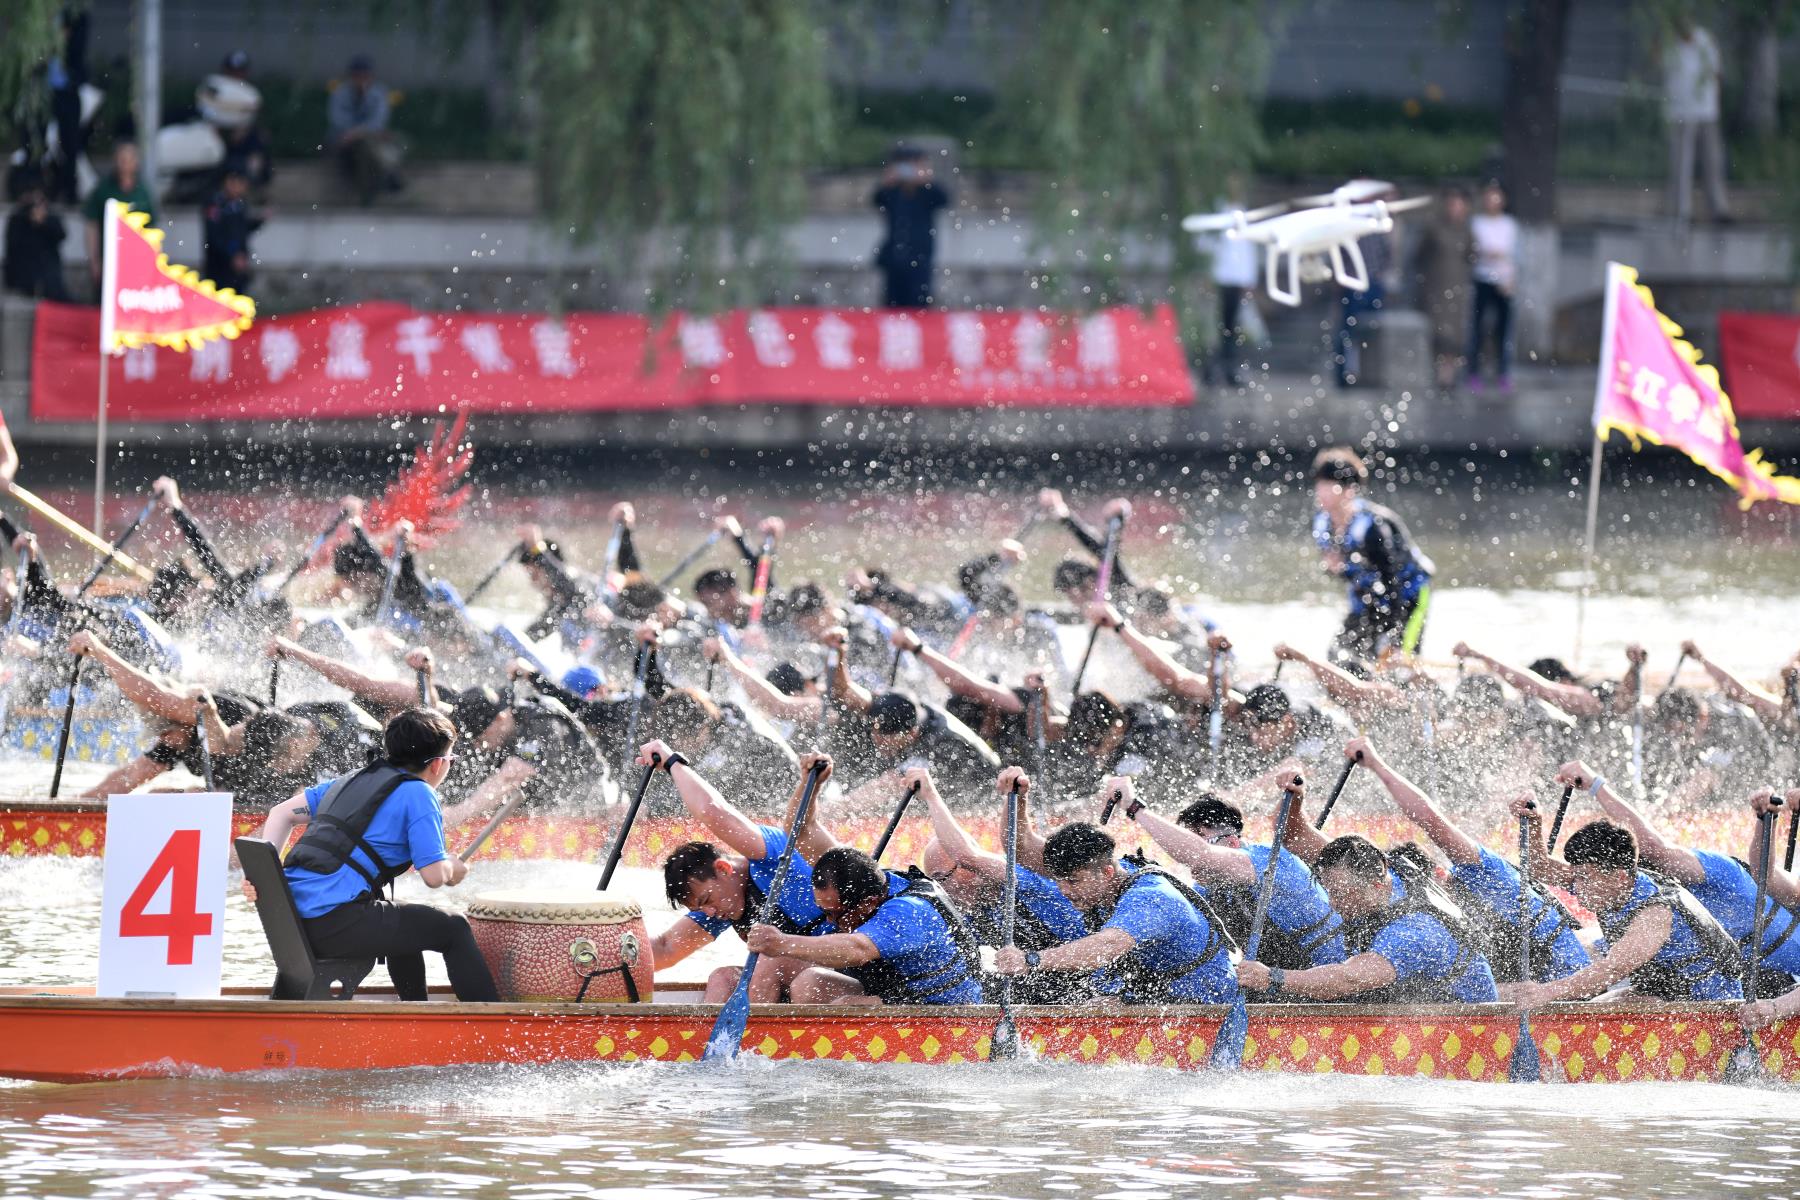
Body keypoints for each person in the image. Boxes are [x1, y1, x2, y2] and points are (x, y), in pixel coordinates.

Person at [256, 707, 500, 1002]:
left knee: (407, 924)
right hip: (335, 921)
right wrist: (453, 867)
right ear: (437, 764)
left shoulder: (352, 780)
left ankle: (417, 1015)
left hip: (291, 918)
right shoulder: (420, 793)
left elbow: (281, 813)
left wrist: (263, 878)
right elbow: (435, 876)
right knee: (455, 928)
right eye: (451, 758)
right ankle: (488, 1029)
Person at [1345, 737, 1590, 985]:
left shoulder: (1484, 874)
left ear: (1439, 874)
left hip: (1572, 986)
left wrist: (1377, 765)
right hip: (1529, 994)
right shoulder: (1444, 919)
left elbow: (1431, 820)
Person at [1556, 764, 1798, 989]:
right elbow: (1763, 872)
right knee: (1578, 952)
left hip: (1756, 978)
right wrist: (1766, 818)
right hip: (1735, 911)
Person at [650, 741, 836, 1003]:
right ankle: (714, 1045)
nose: (710, 913)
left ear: (723, 869)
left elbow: (713, 812)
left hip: (847, 967)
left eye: (706, 901)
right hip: (797, 974)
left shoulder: (770, 856)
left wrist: (672, 763)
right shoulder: (723, 903)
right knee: (722, 978)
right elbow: (665, 949)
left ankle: (758, 1045)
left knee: (768, 964)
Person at [1512, 797, 1742, 1006]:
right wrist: (1533, 822)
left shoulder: (1656, 912)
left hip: (1709, 1007)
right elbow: (1538, 867)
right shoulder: (1604, 879)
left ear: (1620, 877)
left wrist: (1545, 993)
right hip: (1664, 989)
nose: (1576, 886)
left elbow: (1610, 971)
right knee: (1585, 987)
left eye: (1583, 878)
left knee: (1589, 1011)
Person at [993, 820, 1237, 1005]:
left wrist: (1031, 960)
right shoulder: (1106, 870)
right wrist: (1018, 795)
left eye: (1073, 881)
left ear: (1107, 873)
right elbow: (1024, 850)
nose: (1064, 891)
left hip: (1206, 1005)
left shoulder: (1150, 898)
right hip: (1157, 996)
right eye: (1058, 881)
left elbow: (1108, 946)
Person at [1238, 833, 1499, 1004]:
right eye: (1329, 891)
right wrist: (1296, 798)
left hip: (1465, 1025)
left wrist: (1273, 979)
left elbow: (1347, 979)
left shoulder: (1411, 933)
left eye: (1339, 894)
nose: (1332, 903)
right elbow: (1301, 837)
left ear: (1375, 886)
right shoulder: (1385, 869)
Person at [1118, 778, 1346, 970]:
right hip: (1282, 987)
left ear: (1232, 842)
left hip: (1339, 976)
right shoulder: (1211, 891)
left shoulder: (1270, 860)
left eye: (1195, 840)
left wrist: (1134, 808)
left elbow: (1200, 854)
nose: (1188, 861)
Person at [916, 766, 1092, 1003]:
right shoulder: (969, 912)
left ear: (969, 869)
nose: (941, 890)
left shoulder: (1016, 878)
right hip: (1051, 987)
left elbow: (967, 853)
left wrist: (929, 794)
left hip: (1091, 976)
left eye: (940, 878)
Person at [745, 843, 985, 1006]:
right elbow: (808, 832)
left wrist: (781, 941)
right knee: (772, 962)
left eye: (834, 913)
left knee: (810, 986)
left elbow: (857, 949)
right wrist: (814, 783)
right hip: (896, 988)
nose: (830, 922)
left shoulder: (908, 910)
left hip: (940, 1008)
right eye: (824, 912)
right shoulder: (876, 883)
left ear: (868, 903)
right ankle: (755, 1050)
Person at [1311, 446, 1434, 664]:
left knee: (1397, 662)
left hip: (1409, 596)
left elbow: (1392, 580)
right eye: (1320, 484)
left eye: (1330, 486)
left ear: (1350, 490)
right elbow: (1348, 572)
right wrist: (1337, 571)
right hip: (1369, 598)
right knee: (1339, 654)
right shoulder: (1322, 524)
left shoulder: (1371, 528)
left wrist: (1394, 638)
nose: (1322, 492)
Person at [1662, 18, 1731, 225]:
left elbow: (1717, 71)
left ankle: (1718, 208)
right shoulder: (1670, 43)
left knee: (1713, 161)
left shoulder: (1705, 40)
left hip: (1706, 110)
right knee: (1682, 163)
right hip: (1681, 112)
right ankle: (1682, 211)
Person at [871, 146, 949, 308]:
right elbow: (876, 199)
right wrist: (888, 181)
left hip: (920, 257)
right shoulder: (893, 192)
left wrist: (927, 180)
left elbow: (944, 199)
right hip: (894, 256)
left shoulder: (927, 193)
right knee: (892, 303)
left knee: (918, 302)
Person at [1334, 182, 1396, 389]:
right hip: (1352, 284)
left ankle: (1371, 374)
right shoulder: (1345, 220)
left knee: (1373, 330)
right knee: (1348, 331)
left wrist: (1379, 274)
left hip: (1373, 283)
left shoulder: (1376, 220)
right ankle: (1344, 375)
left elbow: (1386, 252)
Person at [1412, 183, 1472, 388]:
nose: (1455, 207)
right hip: (1435, 289)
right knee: (1436, 332)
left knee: (1454, 335)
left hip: (1457, 289)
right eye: (1451, 203)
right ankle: (1436, 374)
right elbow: (1419, 256)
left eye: (1459, 204)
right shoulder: (1434, 228)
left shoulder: (1466, 231)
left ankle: (1448, 376)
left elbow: (1472, 256)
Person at [82, 141, 158, 296]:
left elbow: (151, 229)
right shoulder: (103, 189)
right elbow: (92, 225)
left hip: (136, 260)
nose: (125, 164)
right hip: (109, 258)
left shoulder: (143, 192)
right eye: (121, 159)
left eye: (129, 159)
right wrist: (94, 259)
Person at [328, 55, 404, 206]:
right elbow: (338, 119)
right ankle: (387, 174)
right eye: (358, 75)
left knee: (367, 147)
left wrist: (358, 132)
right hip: (345, 139)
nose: (361, 79)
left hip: (366, 138)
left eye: (364, 75)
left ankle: (369, 190)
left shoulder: (378, 93)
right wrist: (354, 132)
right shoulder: (341, 93)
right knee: (365, 148)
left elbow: (379, 119)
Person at [1465, 181, 1517, 392]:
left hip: (1504, 282)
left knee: (1503, 331)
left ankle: (1503, 373)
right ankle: (1473, 373)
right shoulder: (1476, 223)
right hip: (1482, 278)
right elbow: (1471, 251)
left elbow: (1515, 256)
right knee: (1477, 328)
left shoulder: (1510, 224)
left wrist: (1512, 281)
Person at [4, 182, 70, 301]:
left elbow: (61, 235)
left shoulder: (50, 217)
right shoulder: (17, 219)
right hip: (24, 274)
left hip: (49, 274)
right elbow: (14, 246)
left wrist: (44, 223)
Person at [201, 168, 263, 295]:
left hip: (238, 265)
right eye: (239, 183)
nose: (242, 188)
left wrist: (259, 221)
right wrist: (233, 254)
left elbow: (241, 229)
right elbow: (215, 236)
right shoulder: (215, 204)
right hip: (220, 264)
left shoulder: (239, 204)